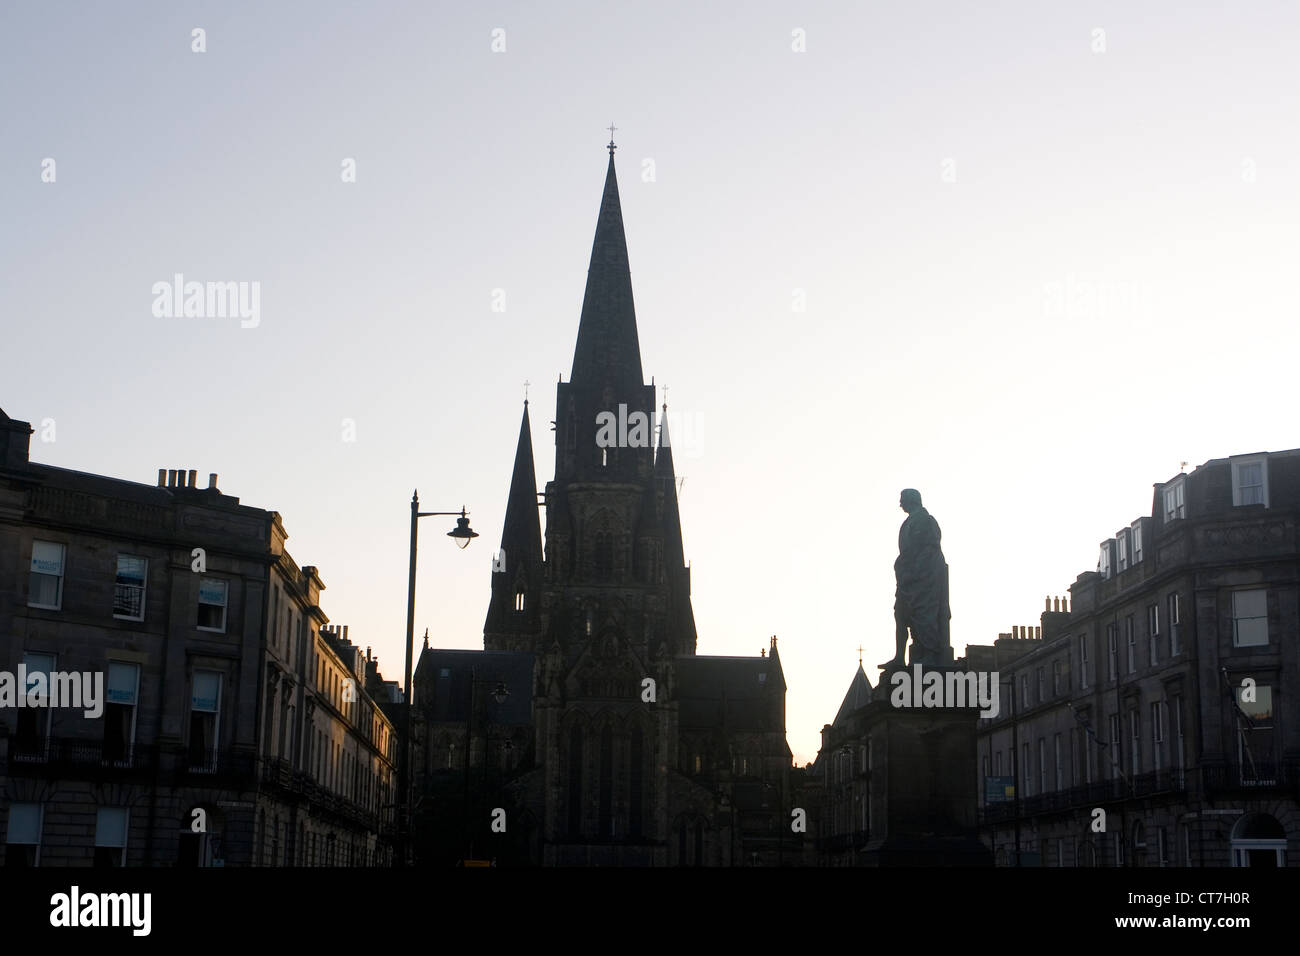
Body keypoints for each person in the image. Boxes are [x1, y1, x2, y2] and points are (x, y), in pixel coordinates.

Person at [888, 489, 952, 666]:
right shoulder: (911, 521)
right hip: (907, 577)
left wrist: (914, 572)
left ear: (911, 500)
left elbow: (927, 550)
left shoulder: (924, 520)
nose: (900, 504)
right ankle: (899, 657)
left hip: (924, 576)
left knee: (924, 614)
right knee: (900, 614)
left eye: (902, 500)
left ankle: (930, 653)